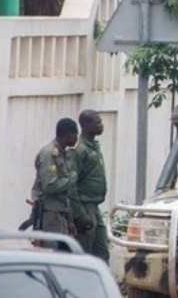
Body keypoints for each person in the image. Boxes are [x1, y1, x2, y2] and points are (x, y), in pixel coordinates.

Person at [69, 109, 110, 263]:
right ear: (86, 125)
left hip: (94, 207)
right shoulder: (79, 150)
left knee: (102, 252)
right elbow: (71, 185)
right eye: (97, 122)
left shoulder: (93, 146)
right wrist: (79, 214)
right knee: (84, 254)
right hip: (84, 206)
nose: (101, 125)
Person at [31, 118, 79, 239]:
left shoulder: (63, 153)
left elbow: (64, 194)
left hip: (60, 213)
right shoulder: (50, 154)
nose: (77, 138)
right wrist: (71, 178)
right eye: (76, 135)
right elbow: (50, 185)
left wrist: (69, 220)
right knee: (51, 252)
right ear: (69, 135)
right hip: (49, 214)